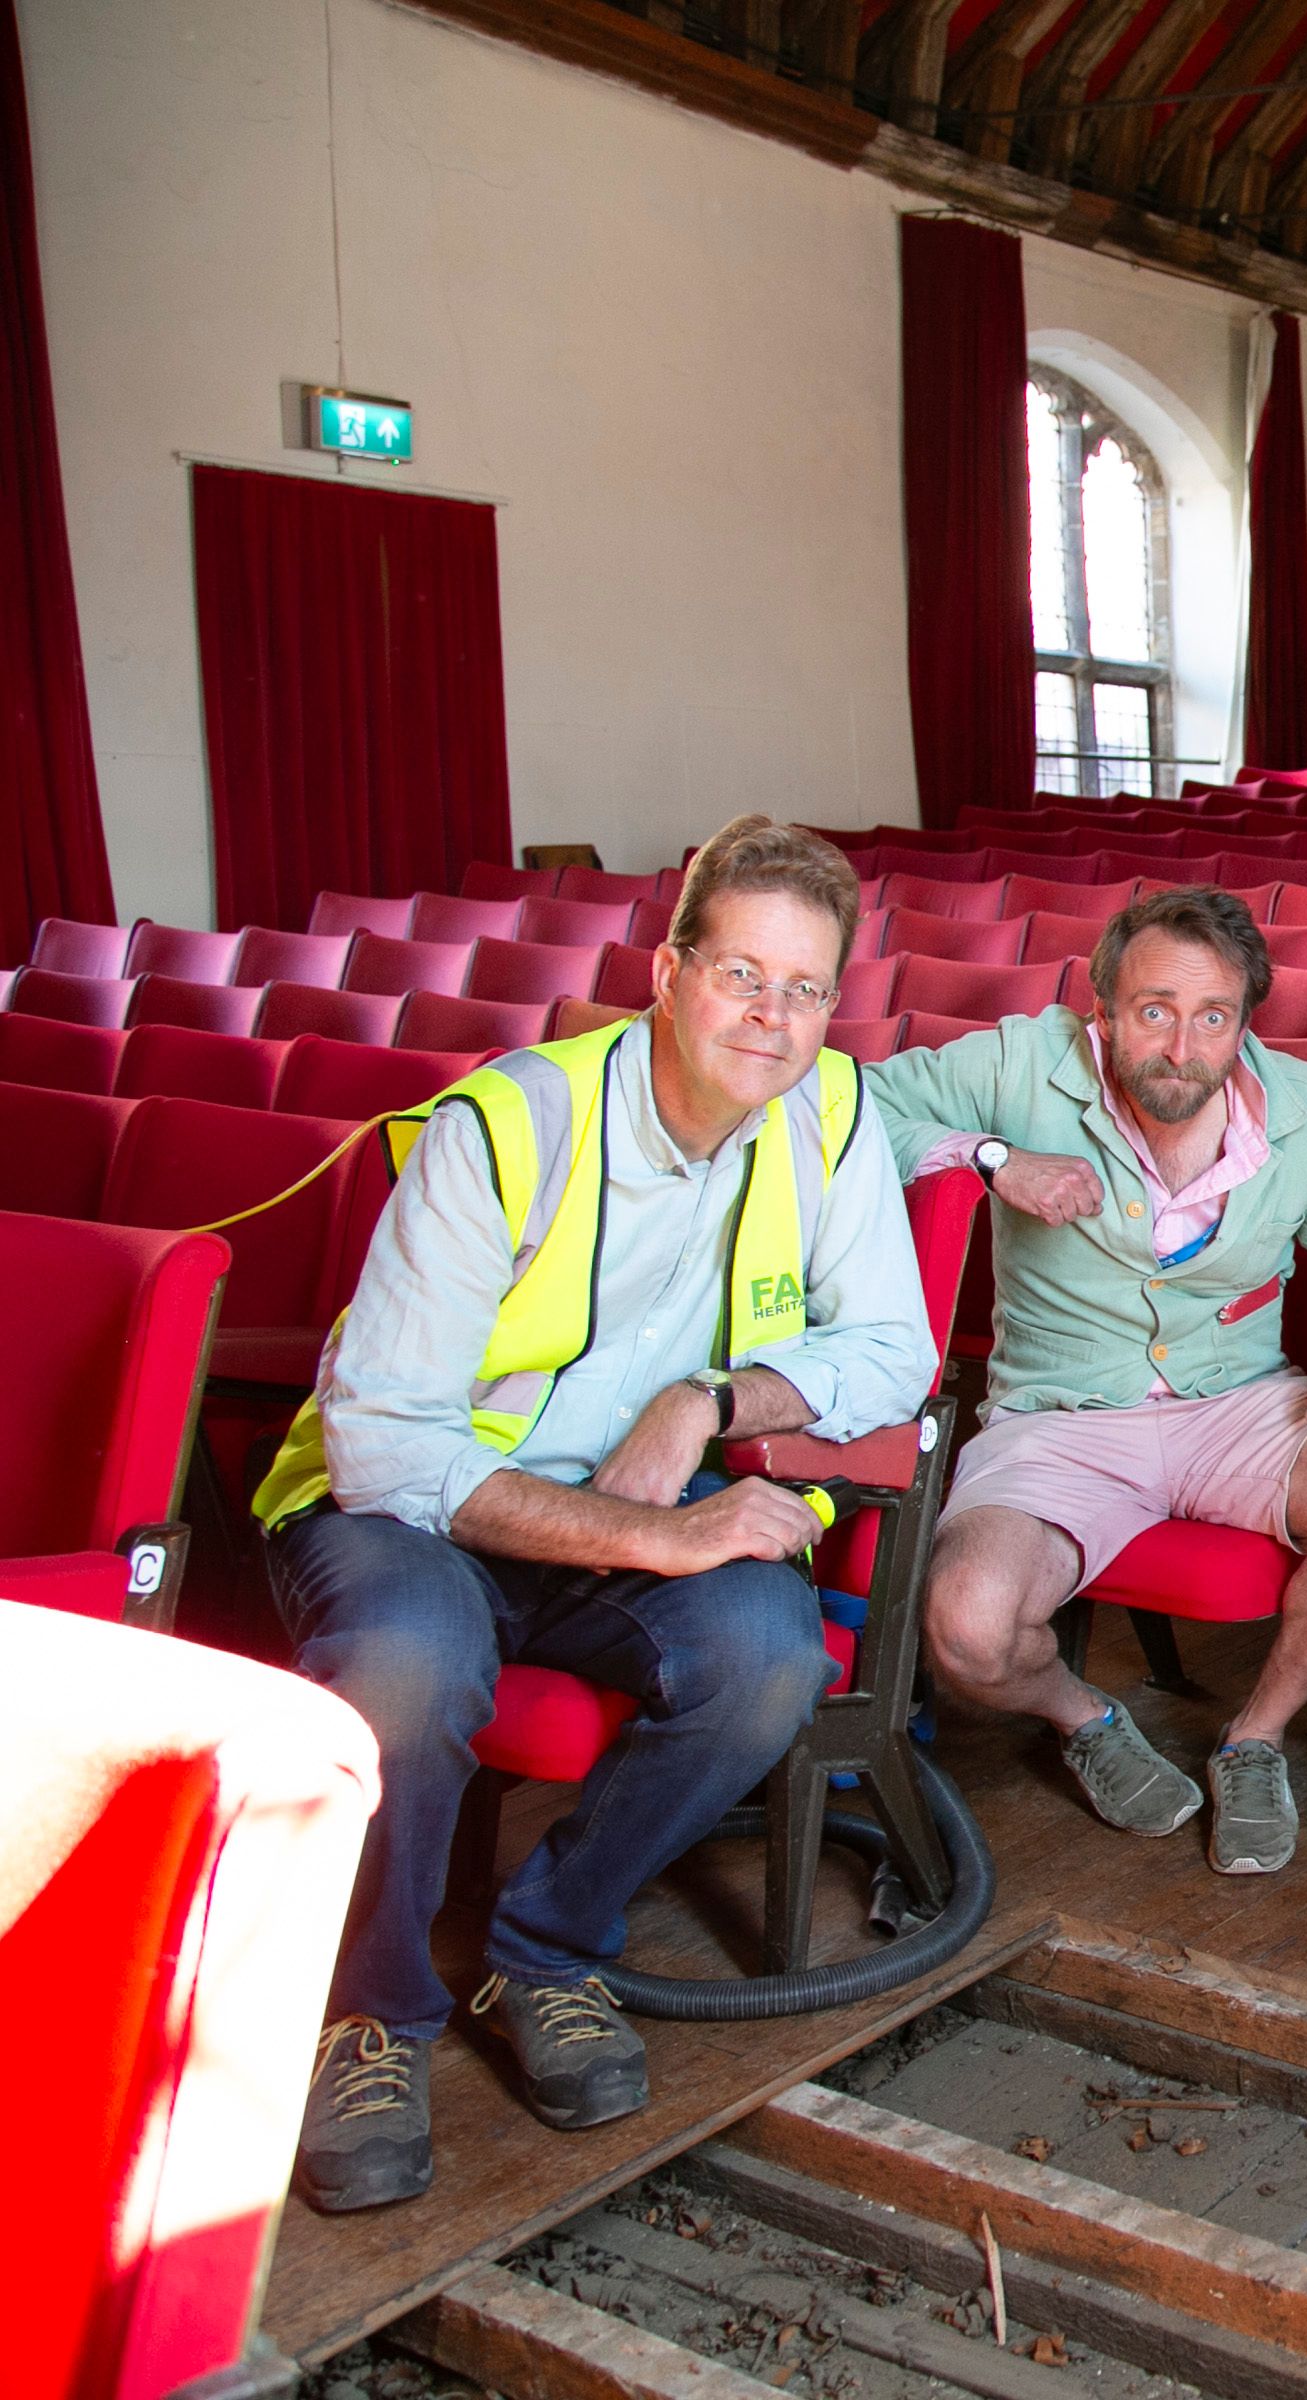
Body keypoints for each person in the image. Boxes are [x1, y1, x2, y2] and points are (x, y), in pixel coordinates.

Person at [257, 815, 938, 2213]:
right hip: (411, 1516)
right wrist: (660, 1537)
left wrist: (710, 1400)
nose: (773, 1018)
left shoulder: (834, 1115)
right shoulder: (509, 1125)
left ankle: (544, 1947)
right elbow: (386, 1448)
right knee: (407, 1664)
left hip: (621, 1500)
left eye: (806, 988)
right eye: (743, 975)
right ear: (670, 968)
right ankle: (374, 2015)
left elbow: (895, 1352)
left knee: (769, 1656)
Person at [861, 887, 1307, 1876]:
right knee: (963, 1627)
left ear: (1246, 1020)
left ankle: (1256, 1736)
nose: (1181, 1047)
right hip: (1059, 1422)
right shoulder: (1021, 1062)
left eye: (1212, 1017)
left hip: (1240, 1408)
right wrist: (990, 1157)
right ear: (1105, 1007)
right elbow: (851, 1104)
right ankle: (1082, 1716)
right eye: (1154, 1011)